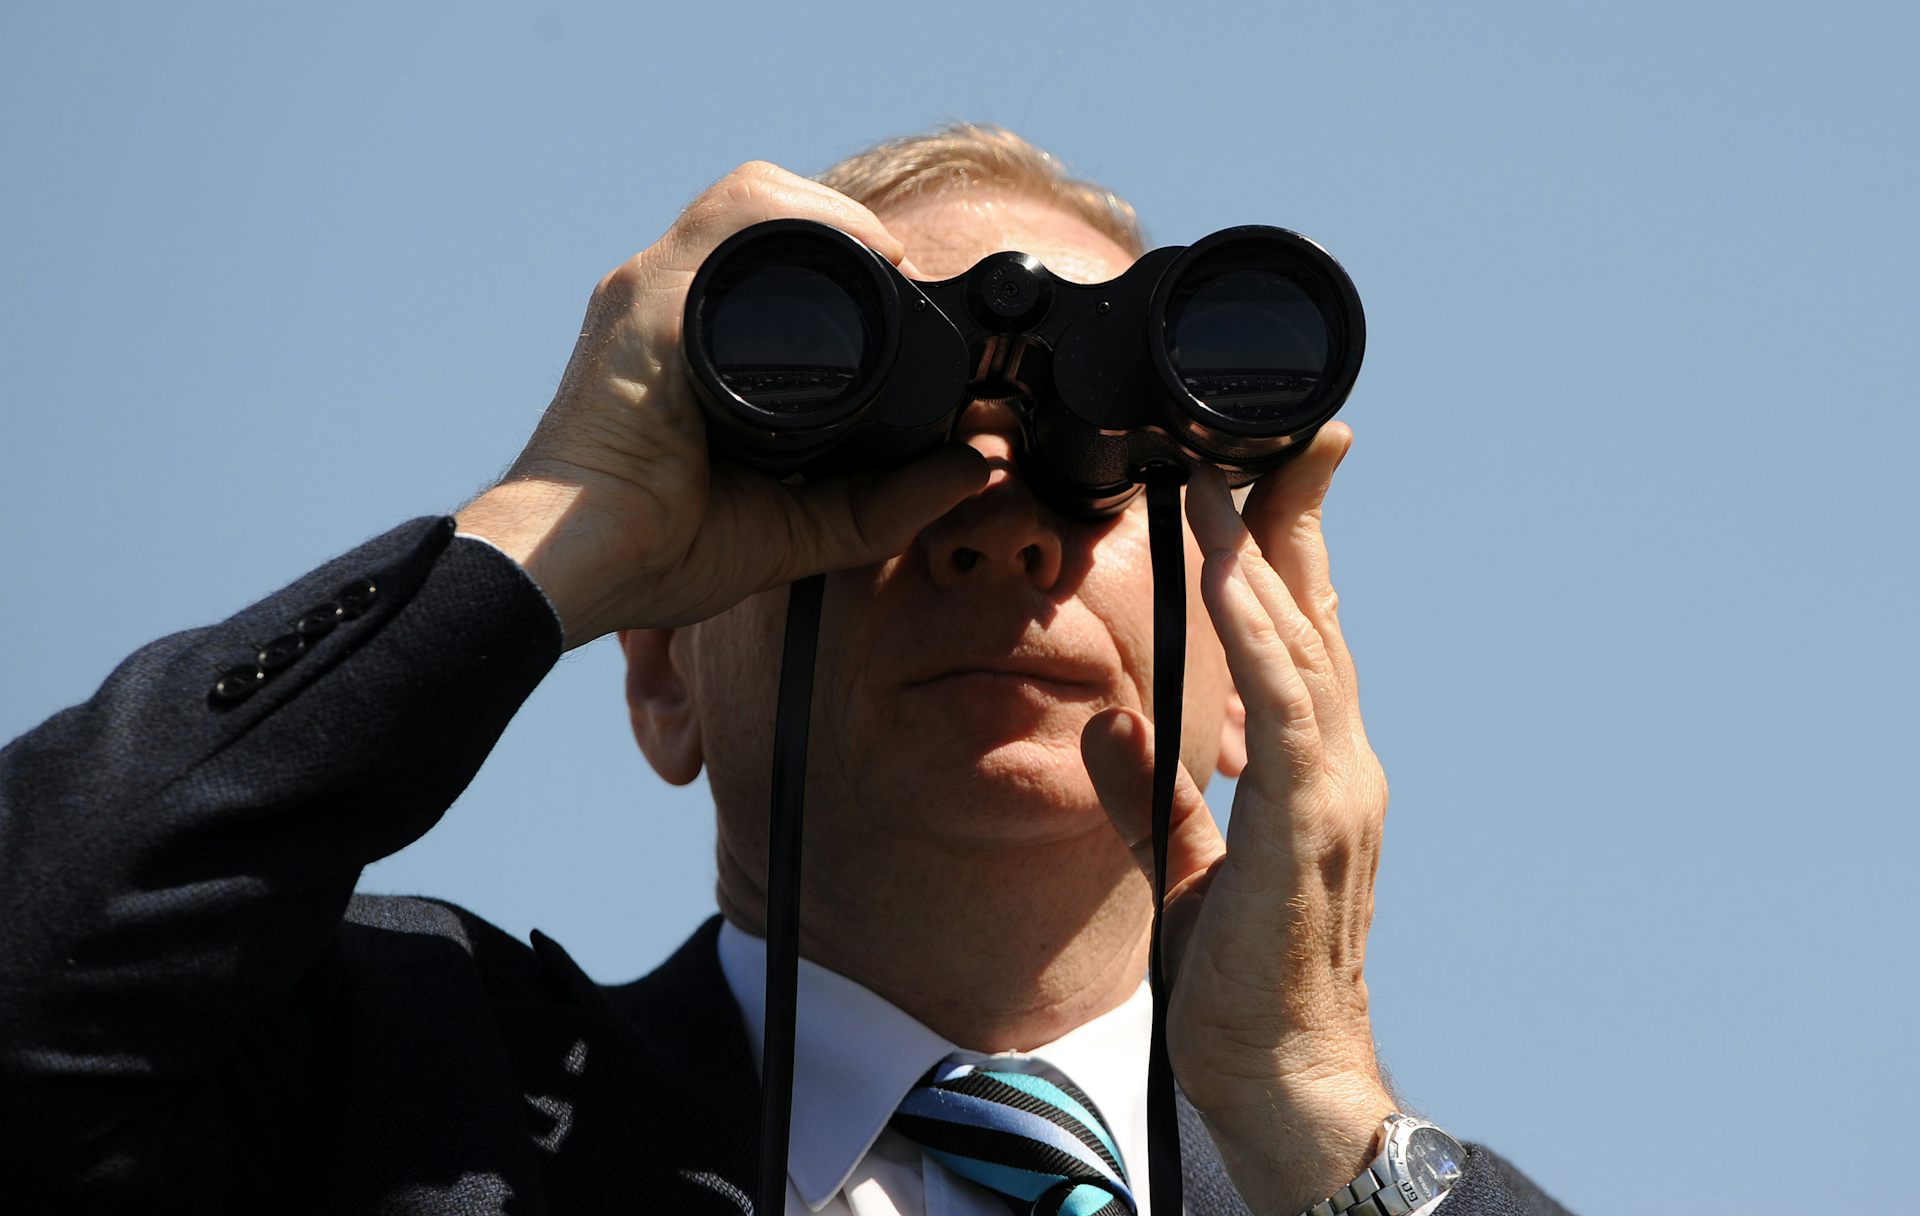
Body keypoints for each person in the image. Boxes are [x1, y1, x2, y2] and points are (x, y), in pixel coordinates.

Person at [0, 125, 1570, 1214]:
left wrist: (1318, 1121)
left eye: (1098, 478)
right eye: (892, 473)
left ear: (1242, 673)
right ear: (660, 677)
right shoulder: (396, 1091)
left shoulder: (1328, 1189)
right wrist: (549, 522)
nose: (999, 537)